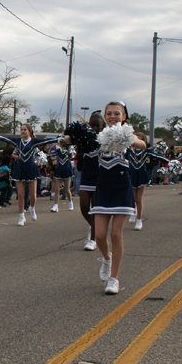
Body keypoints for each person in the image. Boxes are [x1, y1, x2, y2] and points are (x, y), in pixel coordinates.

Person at [90, 102, 146, 295]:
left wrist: (129, 139)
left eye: (117, 113)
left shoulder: (127, 134)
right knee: (99, 235)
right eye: (109, 113)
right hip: (103, 187)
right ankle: (107, 258)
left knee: (115, 234)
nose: (113, 116)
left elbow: (142, 144)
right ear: (105, 116)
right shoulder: (99, 135)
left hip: (122, 187)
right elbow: (75, 140)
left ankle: (114, 279)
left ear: (124, 117)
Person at [0, 124, 55, 226]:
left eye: (25, 129)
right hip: (20, 169)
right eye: (21, 129)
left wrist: (59, 139)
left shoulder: (34, 142)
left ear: (29, 131)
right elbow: (4, 138)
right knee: (20, 194)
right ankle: (21, 216)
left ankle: (32, 208)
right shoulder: (18, 141)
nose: (23, 131)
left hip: (31, 169)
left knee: (33, 195)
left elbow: (46, 141)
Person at [127, 133, 168, 231]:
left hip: (142, 175)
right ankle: (133, 212)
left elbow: (158, 156)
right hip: (132, 175)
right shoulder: (129, 151)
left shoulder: (146, 151)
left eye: (140, 140)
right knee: (133, 198)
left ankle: (139, 220)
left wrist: (169, 162)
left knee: (139, 198)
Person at [77, 111, 105, 250]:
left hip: (99, 177)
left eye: (97, 126)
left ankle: (92, 239)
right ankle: (94, 227)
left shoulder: (105, 139)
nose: (94, 128)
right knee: (83, 207)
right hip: (86, 176)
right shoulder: (84, 138)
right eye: (92, 125)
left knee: (95, 209)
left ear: (102, 126)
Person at [50, 143, 74, 213]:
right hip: (59, 171)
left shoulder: (69, 151)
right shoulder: (58, 150)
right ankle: (56, 205)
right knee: (57, 189)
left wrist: (71, 151)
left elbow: (72, 157)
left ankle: (70, 202)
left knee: (67, 189)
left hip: (67, 171)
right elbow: (52, 155)